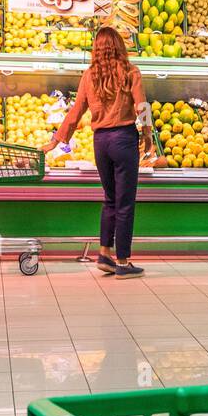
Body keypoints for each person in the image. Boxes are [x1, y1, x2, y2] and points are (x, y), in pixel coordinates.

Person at [47, 26, 154, 277]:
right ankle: (124, 262)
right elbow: (142, 107)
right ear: (119, 46)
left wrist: (57, 140)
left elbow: (75, 113)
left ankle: (104, 254)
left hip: (101, 142)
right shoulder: (130, 71)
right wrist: (147, 134)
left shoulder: (89, 75)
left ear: (97, 49)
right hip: (124, 139)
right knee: (125, 203)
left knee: (109, 200)